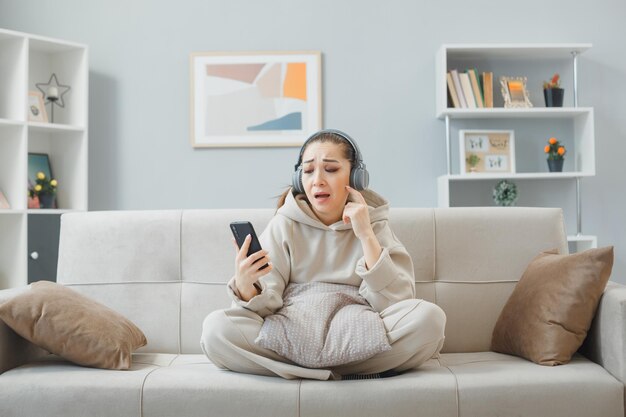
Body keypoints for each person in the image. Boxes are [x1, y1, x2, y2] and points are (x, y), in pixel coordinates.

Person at [201, 129, 446, 380]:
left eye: (330, 169)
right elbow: (265, 307)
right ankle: (342, 372)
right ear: (299, 180)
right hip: (291, 332)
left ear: (356, 177)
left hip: (360, 335)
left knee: (430, 319)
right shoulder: (284, 224)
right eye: (308, 171)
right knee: (215, 330)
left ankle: (302, 371)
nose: (317, 180)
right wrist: (246, 286)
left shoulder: (374, 224)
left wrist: (365, 234)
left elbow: (396, 303)